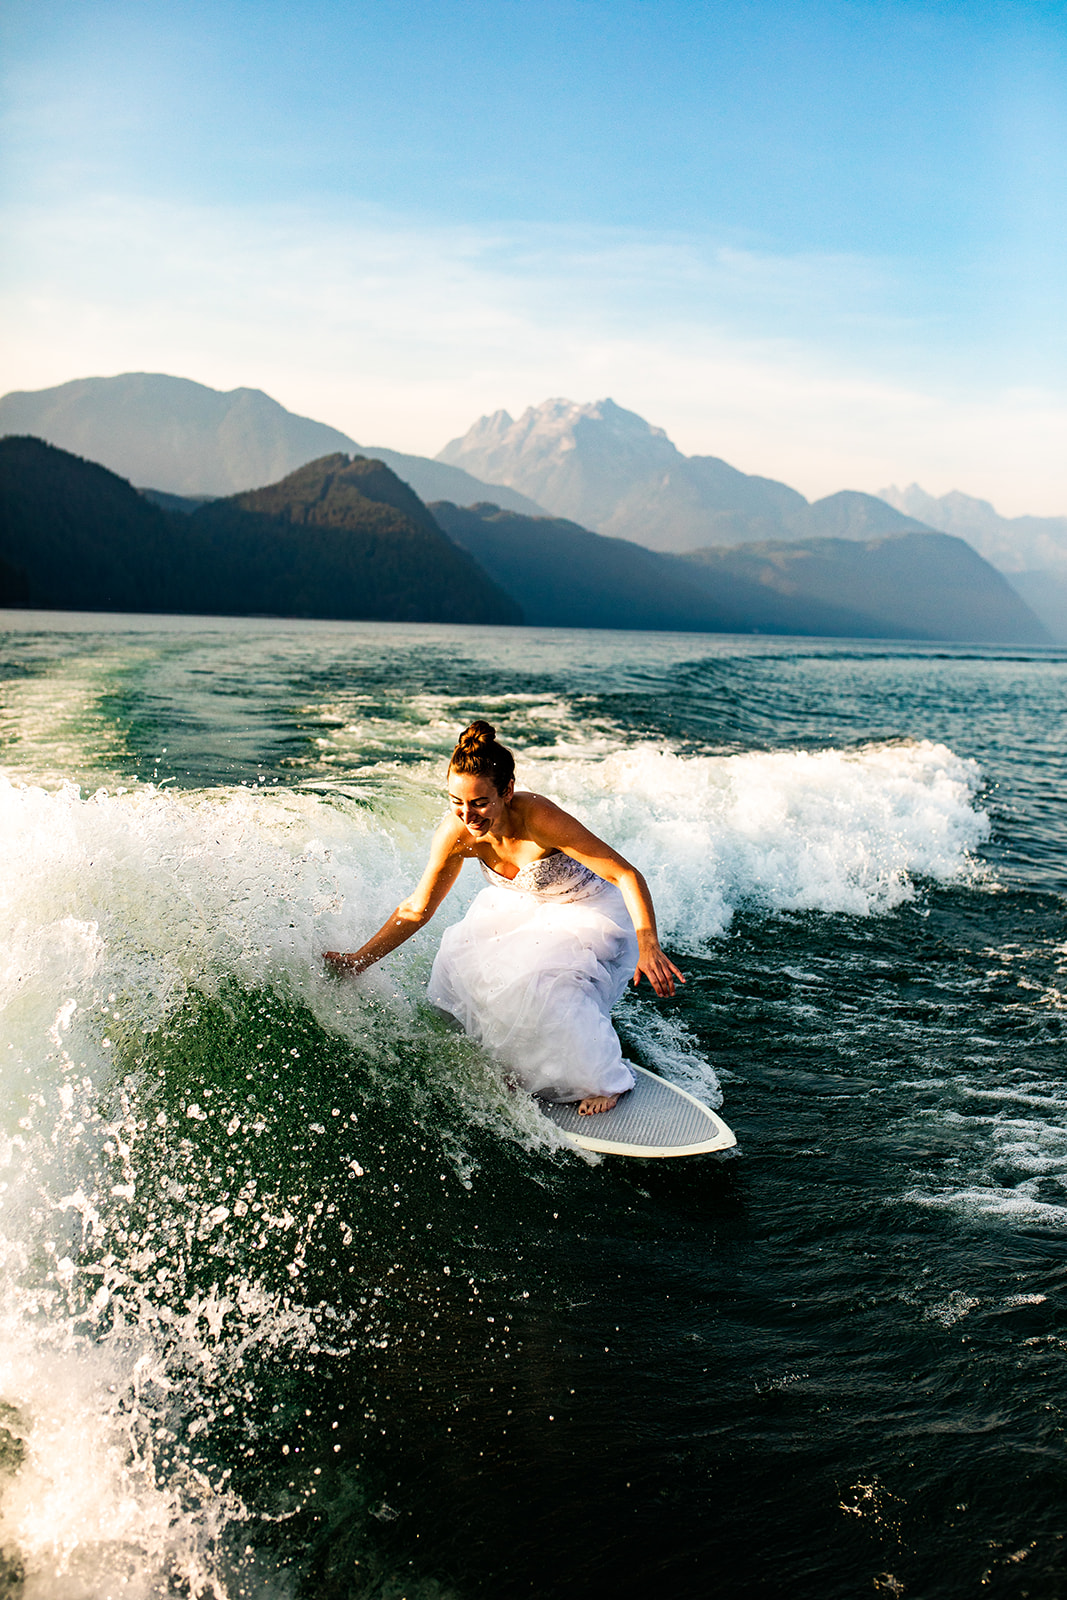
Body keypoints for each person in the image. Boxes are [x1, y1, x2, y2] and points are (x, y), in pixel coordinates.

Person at [324, 721, 683, 1115]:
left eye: (480, 802)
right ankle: (522, 1066)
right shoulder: (458, 834)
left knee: (541, 979)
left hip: (589, 910)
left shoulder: (538, 818)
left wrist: (649, 944)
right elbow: (416, 909)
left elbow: (626, 874)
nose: (467, 814)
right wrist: (358, 961)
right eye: (456, 801)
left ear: (507, 791)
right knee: (463, 963)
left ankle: (603, 1081)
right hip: (528, 909)